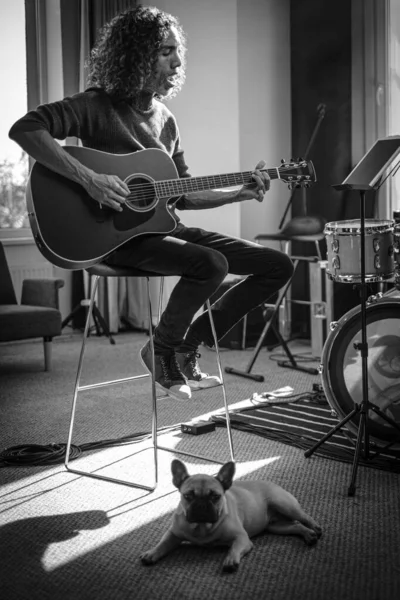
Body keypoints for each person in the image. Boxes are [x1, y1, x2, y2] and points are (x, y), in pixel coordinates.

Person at [9, 5, 294, 401]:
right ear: (136, 55)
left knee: (277, 265)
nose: (178, 62)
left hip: (163, 230)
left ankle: (184, 345)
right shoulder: (96, 105)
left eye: (178, 52)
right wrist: (89, 179)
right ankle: (161, 352)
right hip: (114, 239)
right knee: (210, 263)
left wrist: (238, 192)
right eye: (166, 51)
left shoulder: (166, 120)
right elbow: (25, 129)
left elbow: (181, 193)